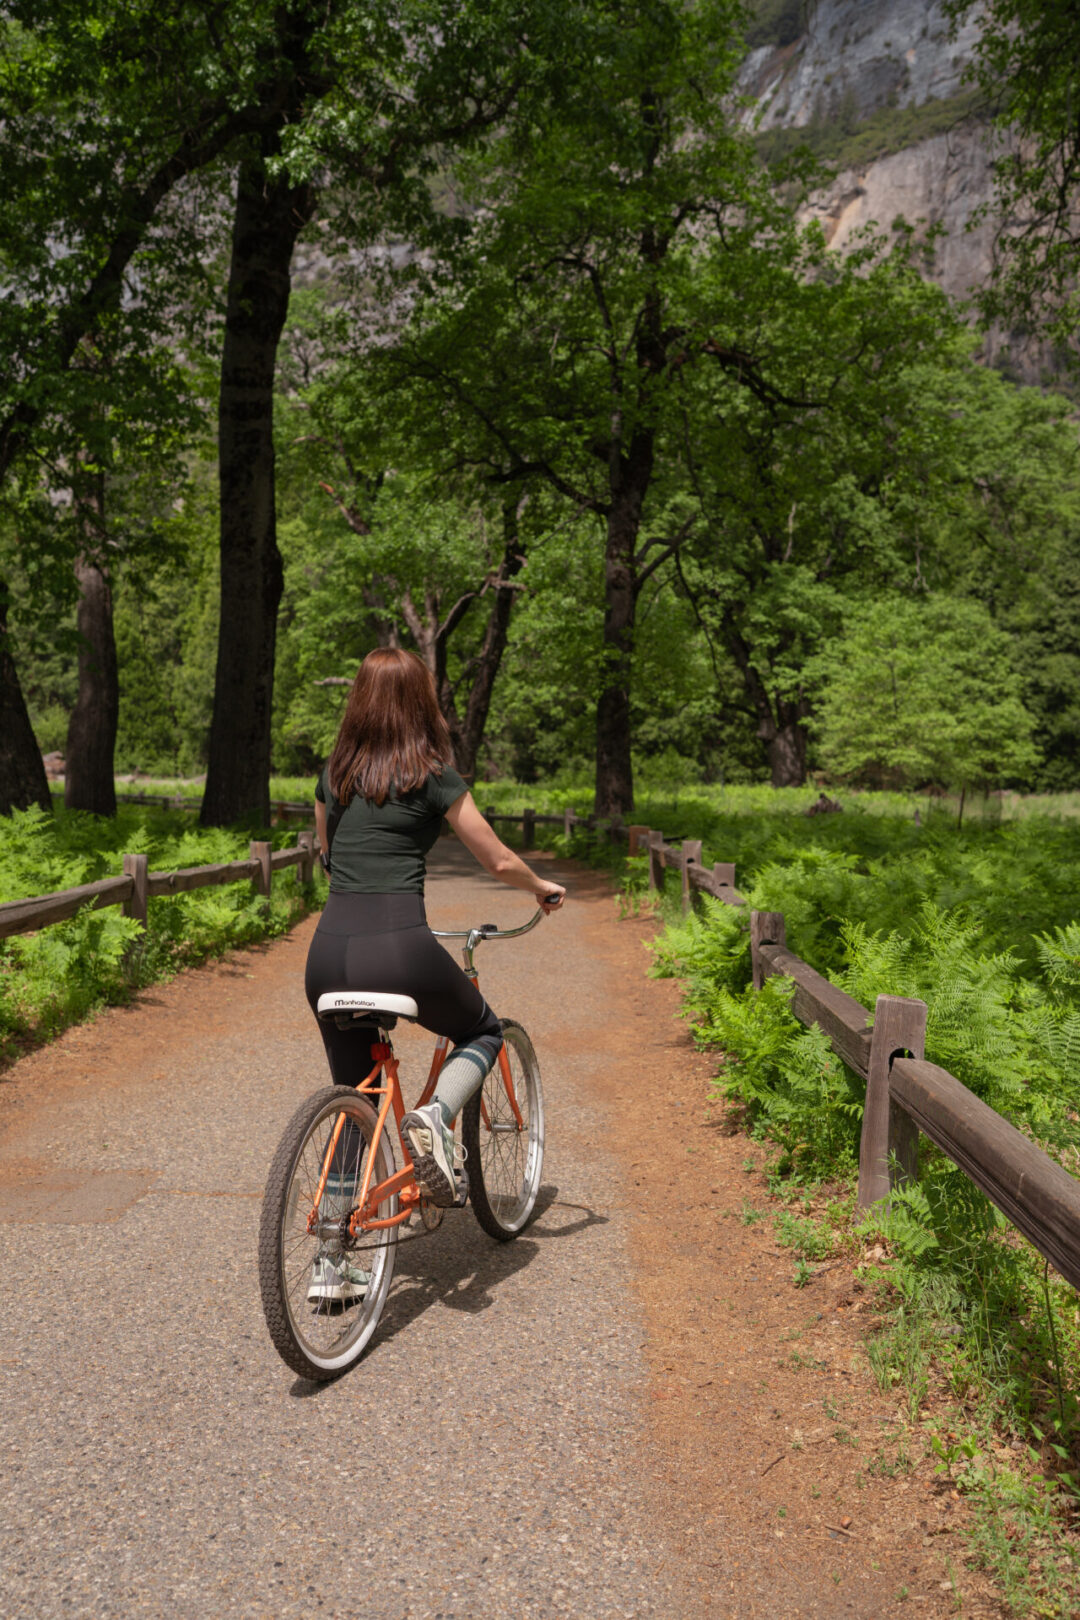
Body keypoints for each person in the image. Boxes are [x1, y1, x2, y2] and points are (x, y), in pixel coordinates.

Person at [304, 647, 565, 1302]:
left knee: (355, 1098)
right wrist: (540, 887)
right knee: (481, 1031)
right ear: (422, 702)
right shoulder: (433, 775)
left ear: (358, 699)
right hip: (401, 947)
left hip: (329, 951)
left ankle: (333, 1258)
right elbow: (497, 860)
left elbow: (328, 858)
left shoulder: (333, 776)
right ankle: (435, 1116)